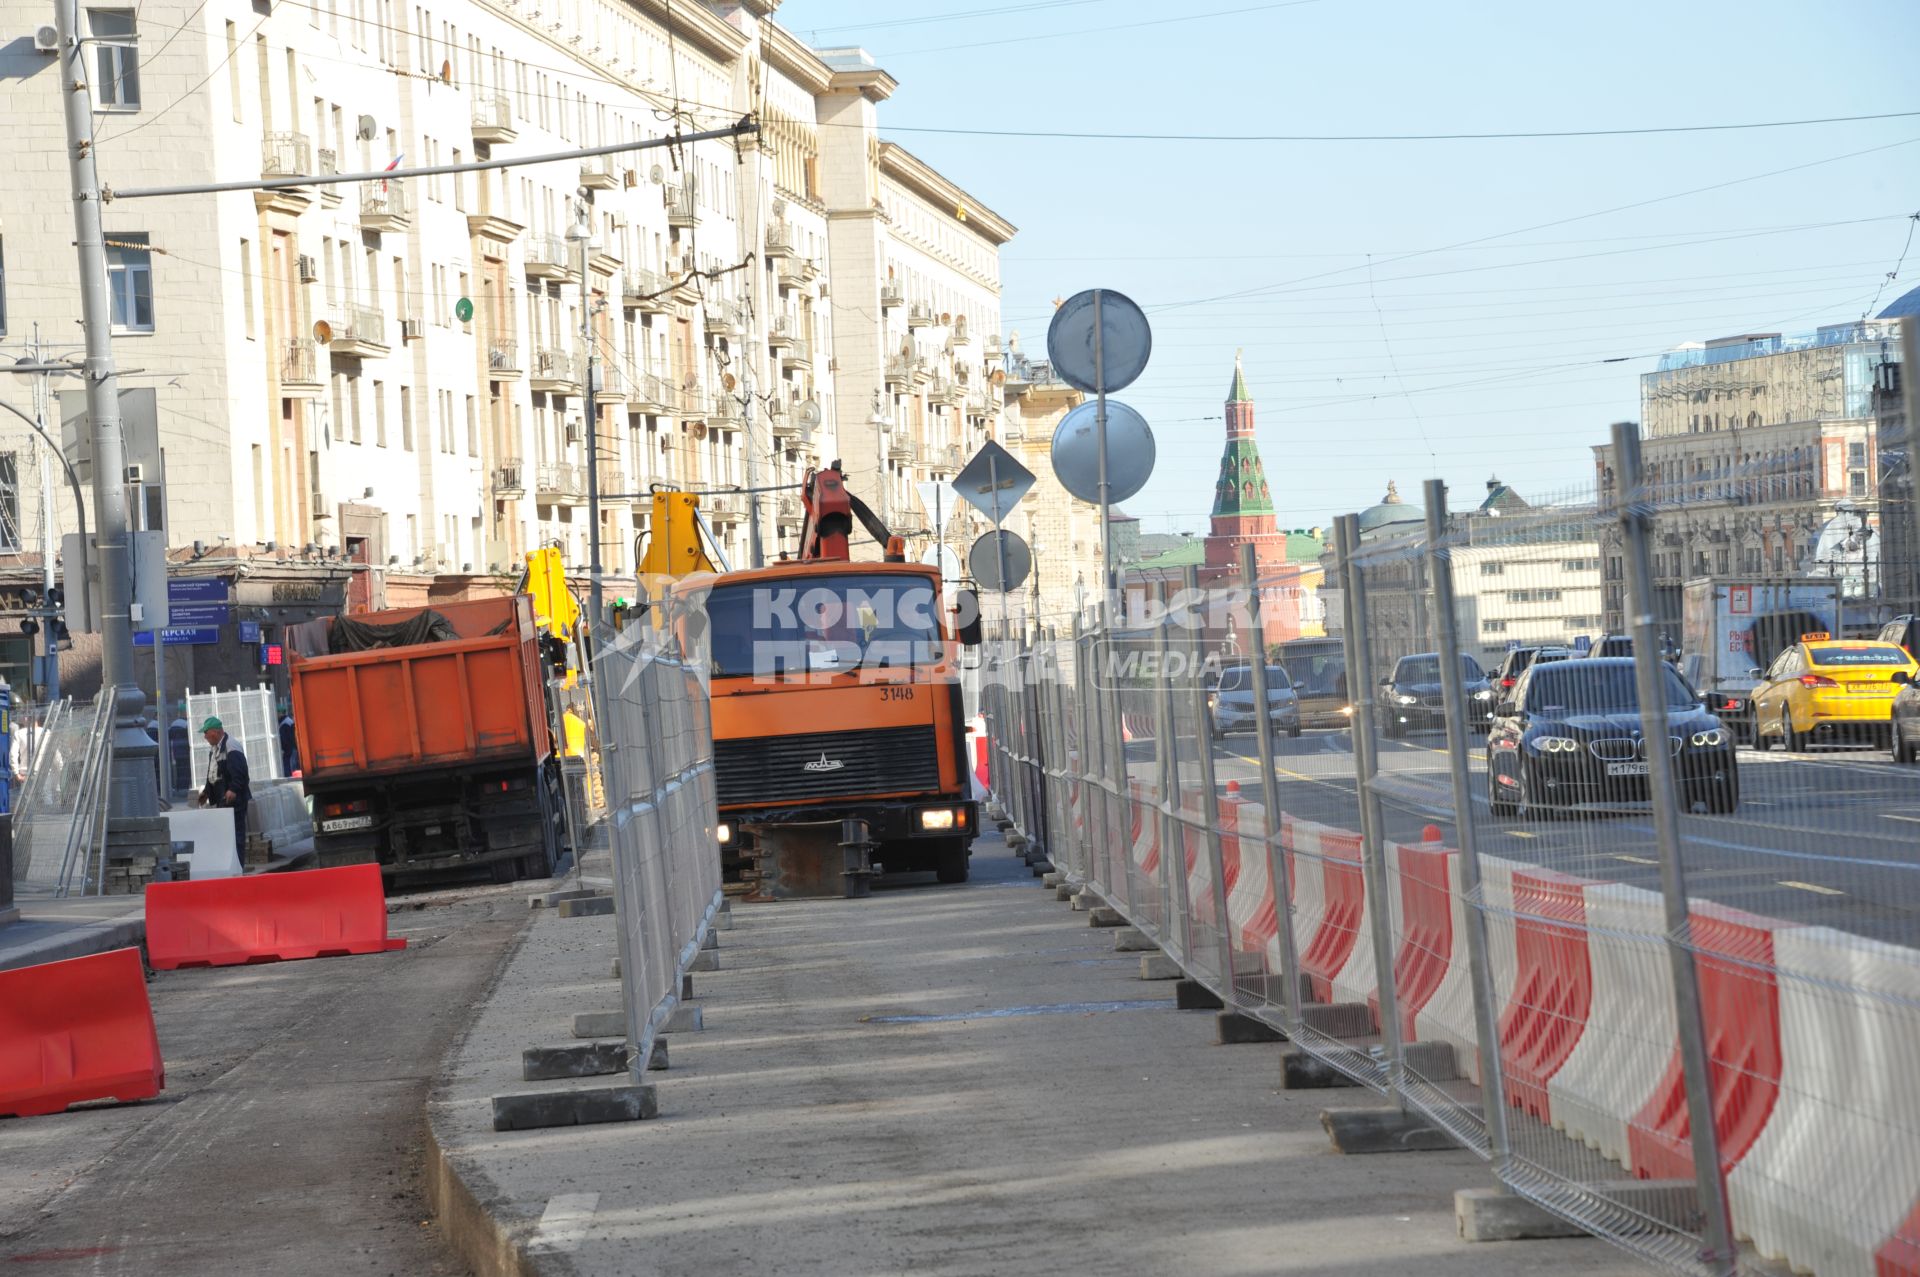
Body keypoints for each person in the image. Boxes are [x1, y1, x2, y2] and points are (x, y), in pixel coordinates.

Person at [195, 716, 252, 863]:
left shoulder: (231, 746)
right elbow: (212, 774)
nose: (205, 737)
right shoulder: (214, 750)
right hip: (223, 798)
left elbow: (240, 773)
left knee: (236, 833)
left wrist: (233, 790)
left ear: (215, 732)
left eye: (206, 733)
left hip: (235, 799)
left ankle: (238, 866)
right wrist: (207, 792)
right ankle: (231, 865)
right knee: (227, 835)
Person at [278, 702, 299, 775]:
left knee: (289, 768)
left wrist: (284, 748)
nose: (276, 715)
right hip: (292, 748)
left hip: (289, 750)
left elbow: (284, 739)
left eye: (277, 713)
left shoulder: (284, 723)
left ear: (280, 713)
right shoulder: (288, 721)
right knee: (292, 765)